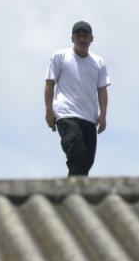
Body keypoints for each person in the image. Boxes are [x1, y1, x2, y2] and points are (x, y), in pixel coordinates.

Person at [44, 20, 110, 176]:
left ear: (91, 39)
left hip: (89, 118)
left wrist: (103, 115)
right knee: (77, 157)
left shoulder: (98, 63)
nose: (82, 39)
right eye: (78, 35)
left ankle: (72, 196)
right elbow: (49, 84)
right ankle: (72, 196)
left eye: (85, 36)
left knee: (86, 163)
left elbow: (102, 90)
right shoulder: (60, 56)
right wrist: (48, 111)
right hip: (66, 116)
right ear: (72, 38)